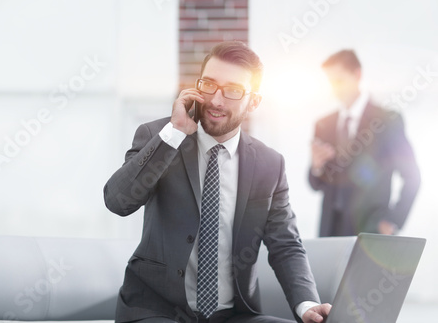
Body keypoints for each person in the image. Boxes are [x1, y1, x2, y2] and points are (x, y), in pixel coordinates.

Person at [104, 41, 331, 323]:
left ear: (254, 101)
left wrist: (307, 304)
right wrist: (174, 134)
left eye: (233, 91)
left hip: (232, 315)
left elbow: (286, 244)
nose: (216, 100)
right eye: (208, 85)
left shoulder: (269, 164)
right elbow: (118, 201)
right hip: (155, 309)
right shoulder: (160, 136)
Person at [309, 49, 421, 237]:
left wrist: (393, 220)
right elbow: (315, 184)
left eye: (339, 81)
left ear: (357, 75)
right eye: (330, 82)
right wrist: (317, 167)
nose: (334, 89)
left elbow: (412, 176)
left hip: (371, 230)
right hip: (330, 232)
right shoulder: (323, 124)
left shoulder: (387, 120)